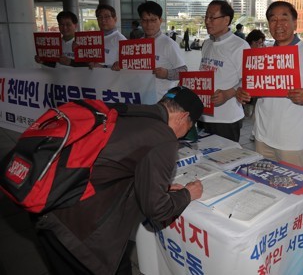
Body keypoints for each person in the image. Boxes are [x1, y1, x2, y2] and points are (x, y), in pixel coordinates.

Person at [32, 86, 205, 275]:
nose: (185, 133)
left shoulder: (128, 112)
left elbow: (118, 161)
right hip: (79, 234)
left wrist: (154, 183)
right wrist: (187, 194)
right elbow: (157, 208)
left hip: (52, 205)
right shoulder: (164, 138)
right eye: (189, 127)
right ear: (183, 116)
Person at [236, 1, 303, 166]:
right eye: (273, 20)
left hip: (291, 141)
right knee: (262, 185)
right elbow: (250, 89)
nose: (278, 24)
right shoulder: (261, 55)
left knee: (289, 188)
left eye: (284, 18)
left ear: (295, 23)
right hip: (262, 136)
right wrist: (243, 93)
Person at [198, 0, 250, 142]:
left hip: (227, 119)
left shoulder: (240, 46)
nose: (207, 21)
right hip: (203, 115)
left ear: (226, 20)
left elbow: (249, 79)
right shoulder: (207, 43)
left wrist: (228, 93)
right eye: (206, 17)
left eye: (212, 17)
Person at [137, 1, 188, 101]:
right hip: (139, 99)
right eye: (145, 20)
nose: (149, 24)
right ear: (141, 21)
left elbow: (184, 72)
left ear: (160, 20)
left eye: (153, 20)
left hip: (161, 102)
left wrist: (166, 73)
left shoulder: (168, 44)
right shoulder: (137, 44)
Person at [244, 29, 266, 141]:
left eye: (261, 43)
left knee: (257, 110)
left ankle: (254, 132)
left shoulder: (262, 54)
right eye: (257, 42)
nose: (259, 45)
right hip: (246, 89)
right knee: (249, 111)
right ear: (251, 42)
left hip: (258, 88)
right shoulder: (244, 53)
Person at [90, 4, 127, 70]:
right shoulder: (91, 39)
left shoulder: (122, 40)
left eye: (107, 17)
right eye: (100, 17)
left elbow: (126, 67)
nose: (103, 20)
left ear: (115, 19)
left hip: (112, 79)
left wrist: (103, 67)